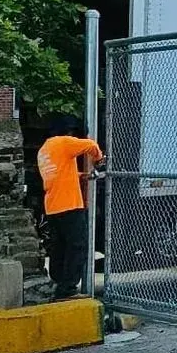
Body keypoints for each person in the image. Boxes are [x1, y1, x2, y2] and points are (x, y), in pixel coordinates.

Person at [38, 116, 103, 300]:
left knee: (59, 247)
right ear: (68, 131)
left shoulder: (45, 149)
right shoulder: (64, 142)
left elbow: (60, 173)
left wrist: (81, 175)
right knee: (77, 246)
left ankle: (58, 282)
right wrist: (99, 158)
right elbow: (91, 145)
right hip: (69, 205)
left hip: (52, 206)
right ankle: (68, 289)